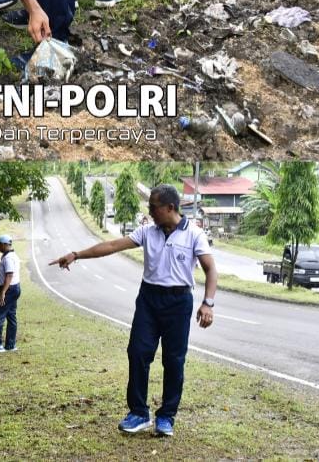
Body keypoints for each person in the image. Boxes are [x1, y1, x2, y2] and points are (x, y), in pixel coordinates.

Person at [50, 184, 218, 438]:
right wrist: (77, 254)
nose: (149, 212)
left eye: (153, 207)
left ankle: (166, 417)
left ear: (170, 208)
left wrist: (208, 303)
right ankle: (139, 413)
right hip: (149, 299)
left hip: (178, 302)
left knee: (174, 361)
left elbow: (210, 269)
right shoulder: (147, 232)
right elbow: (111, 246)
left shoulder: (194, 235)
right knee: (138, 352)